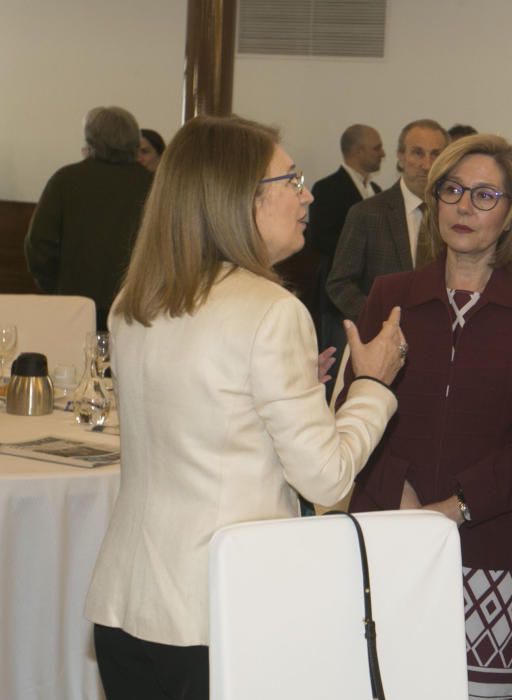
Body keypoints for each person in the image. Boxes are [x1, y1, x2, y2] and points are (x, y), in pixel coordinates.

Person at [84, 115, 407, 700]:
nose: (307, 195)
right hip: (222, 610)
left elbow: (199, 417)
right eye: (292, 179)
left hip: (129, 602)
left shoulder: (136, 299)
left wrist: (288, 393)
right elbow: (326, 477)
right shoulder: (271, 310)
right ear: (240, 199)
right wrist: (374, 387)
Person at [341, 134, 512, 699]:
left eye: (485, 194)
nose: (464, 206)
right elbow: (356, 406)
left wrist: (457, 507)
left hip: (490, 541)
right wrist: (403, 494)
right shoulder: (391, 294)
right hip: (389, 527)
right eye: (453, 190)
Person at [24, 106, 153, 331]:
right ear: (134, 142)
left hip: (74, 307)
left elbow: (39, 246)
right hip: (138, 309)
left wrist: (58, 289)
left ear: (90, 142)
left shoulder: (65, 180)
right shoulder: (153, 185)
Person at [326, 118, 449, 321]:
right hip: (381, 338)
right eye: (417, 153)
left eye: (435, 154)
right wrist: (377, 317)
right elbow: (339, 284)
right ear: (400, 157)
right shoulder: (367, 213)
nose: (427, 165)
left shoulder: (454, 214)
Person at [309, 124, 384, 384]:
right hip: (339, 295)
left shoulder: (376, 192)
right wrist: (359, 249)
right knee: (337, 364)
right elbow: (319, 237)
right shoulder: (327, 188)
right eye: (377, 148)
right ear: (358, 150)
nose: (382, 154)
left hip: (368, 291)